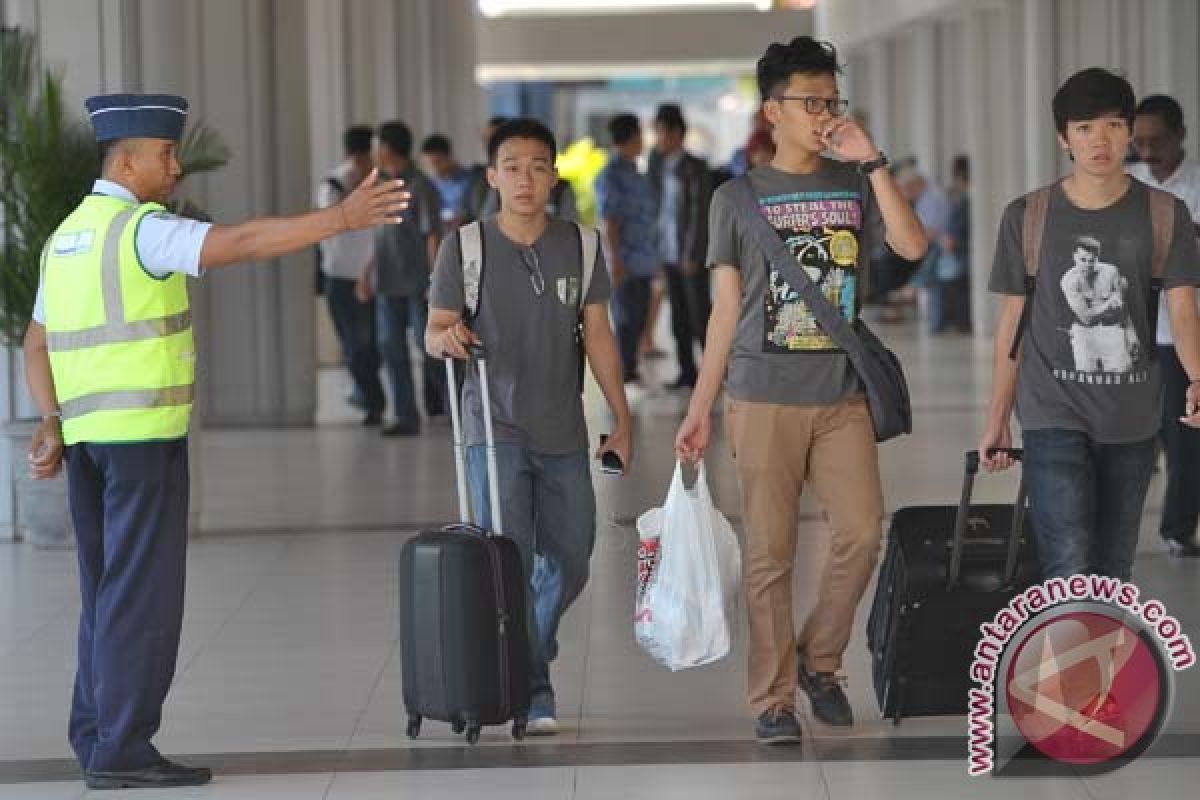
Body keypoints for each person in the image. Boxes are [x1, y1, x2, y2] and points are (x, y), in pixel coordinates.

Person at [23, 93, 408, 790]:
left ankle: (97, 735)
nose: (176, 167)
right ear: (127, 158)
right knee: (142, 598)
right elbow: (243, 243)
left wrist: (50, 422)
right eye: (166, 155)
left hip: (86, 444)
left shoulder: (67, 236)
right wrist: (341, 220)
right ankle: (124, 749)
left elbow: (35, 343)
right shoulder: (140, 230)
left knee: (105, 593)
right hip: (142, 440)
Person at [674, 37, 927, 744]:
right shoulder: (735, 199)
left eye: (831, 101)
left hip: (841, 395)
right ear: (772, 111)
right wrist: (699, 409)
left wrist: (870, 158)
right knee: (770, 556)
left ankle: (820, 659)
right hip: (761, 395)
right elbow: (724, 312)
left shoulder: (853, 183)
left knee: (860, 532)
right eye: (810, 102)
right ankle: (774, 699)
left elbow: (912, 247)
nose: (823, 114)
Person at [427, 118, 632, 737]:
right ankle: (531, 689)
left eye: (538, 166)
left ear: (554, 175)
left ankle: (530, 649)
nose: (525, 178)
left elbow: (598, 335)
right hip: (493, 425)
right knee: (507, 560)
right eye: (512, 166)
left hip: (563, 427)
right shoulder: (464, 247)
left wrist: (620, 418)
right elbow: (434, 329)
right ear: (491, 176)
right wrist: (449, 338)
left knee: (572, 556)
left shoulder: (583, 245)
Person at [979, 68, 1200, 582]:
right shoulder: (1028, 216)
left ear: (1128, 132)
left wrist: (1196, 377)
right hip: (1050, 408)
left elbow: (1184, 310)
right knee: (1068, 559)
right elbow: (1013, 319)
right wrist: (998, 417)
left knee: (1111, 567)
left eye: (1112, 125)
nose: (1099, 140)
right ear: (1064, 138)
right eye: (1083, 128)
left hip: (1132, 414)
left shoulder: (1166, 215)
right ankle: (1066, 663)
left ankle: (1097, 662)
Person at [1128, 94, 1200, 557]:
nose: (1148, 152)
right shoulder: (1126, 182)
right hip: (1130, 330)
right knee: (1127, 434)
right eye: (1140, 142)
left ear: (1180, 136)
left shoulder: (1196, 185)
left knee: (1184, 437)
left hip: (1180, 334)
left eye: (1157, 141)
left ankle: (1177, 528)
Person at [358, 121, 445, 435]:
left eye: (375, 146)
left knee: (430, 350)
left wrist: (437, 281)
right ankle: (406, 416)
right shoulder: (381, 185)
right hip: (386, 281)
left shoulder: (420, 186)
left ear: (388, 148)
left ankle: (458, 407)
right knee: (390, 349)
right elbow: (379, 236)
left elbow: (432, 236)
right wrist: (366, 273)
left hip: (417, 283)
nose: (372, 153)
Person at [317, 125, 388, 425]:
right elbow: (332, 219)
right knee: (354, 344)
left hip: (375, 276)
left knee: (373, 343)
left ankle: (369, 397)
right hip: (341, 277)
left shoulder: (381, 182)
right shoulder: (334, 183)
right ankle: (372, 400)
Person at [648, 103, 713, 390]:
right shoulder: (656, 164)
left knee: (701, 315)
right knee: (677, 317)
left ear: (677, 133)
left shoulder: (695, 167)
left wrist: (692, 252)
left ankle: (715, 373)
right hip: (667, 252)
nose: (658, 138)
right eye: (657, 131)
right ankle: (687, 372)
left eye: (662, 131)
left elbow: (700, 213)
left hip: (689, 254)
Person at [596, 113, 660, 384]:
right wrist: (616, 259)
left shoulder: (636, 171)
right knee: (625, 317)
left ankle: (631, 366)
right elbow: (611, 220)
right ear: (632, 137)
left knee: (641, 312)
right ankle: (625, 370)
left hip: (644, 256)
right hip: (625, 257)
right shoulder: (611, 175)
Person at [421, 133, 472, 229]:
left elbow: (466, 213)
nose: (433, 169)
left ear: (448, 157)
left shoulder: (468, 181)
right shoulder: (428, 183)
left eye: (437, 162)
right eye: (428, 164)